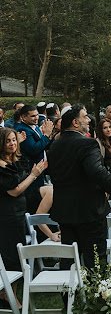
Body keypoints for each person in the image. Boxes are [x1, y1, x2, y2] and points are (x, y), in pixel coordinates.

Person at [46, 105, 111, 270]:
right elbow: (96, 171)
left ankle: (68, 293)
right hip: (89, 209)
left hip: (65, 209)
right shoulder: (87, 144)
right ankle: (99, 294)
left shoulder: (55, 145)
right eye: (85, 116)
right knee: (95, 257)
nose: (89, 120)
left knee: (69, 257)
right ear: (75, 122)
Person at [0, 128, 48, 301]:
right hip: (8, 216)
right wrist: (34, 175)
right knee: (11, 256)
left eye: (14, 140)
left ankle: (10, 293)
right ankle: (7, 294)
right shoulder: (2, 166)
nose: (12, 143)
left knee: (17, 254)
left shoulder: (13, 161)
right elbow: (14, 191)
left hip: (18, 213)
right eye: (8, 141)